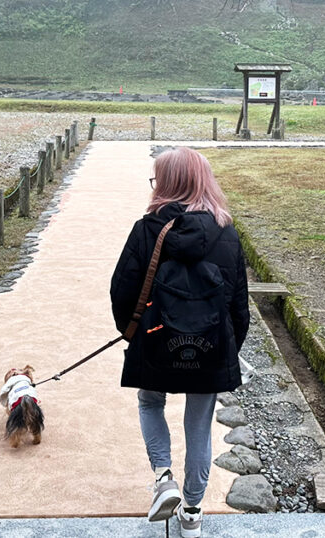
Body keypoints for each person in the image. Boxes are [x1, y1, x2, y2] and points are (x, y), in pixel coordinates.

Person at [110, 147, 249, 537]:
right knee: (200, 424)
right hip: (210, 345)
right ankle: (191, 511)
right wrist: (227, 349)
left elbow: (121, 290)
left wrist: (131, 333)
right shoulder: (227, 231)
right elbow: (239, 301)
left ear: (167, 184)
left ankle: (163, 477)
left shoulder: (147, 229)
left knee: (150, 402)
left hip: (155, 339)